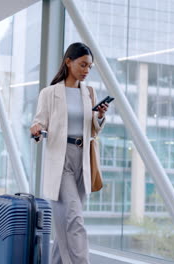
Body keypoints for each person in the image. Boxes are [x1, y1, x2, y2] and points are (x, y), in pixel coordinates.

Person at [30, 42, 109, 264]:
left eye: (90, 67)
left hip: (83, 159)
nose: (86, 70)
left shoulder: (89, 93)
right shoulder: (49, 93)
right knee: (75, 218)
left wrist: (100, 116)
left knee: (66, 221)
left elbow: (93, 128)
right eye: (83, 65)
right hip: (60, 158)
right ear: (68, 62)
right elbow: (39, 122)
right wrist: (36, 129)